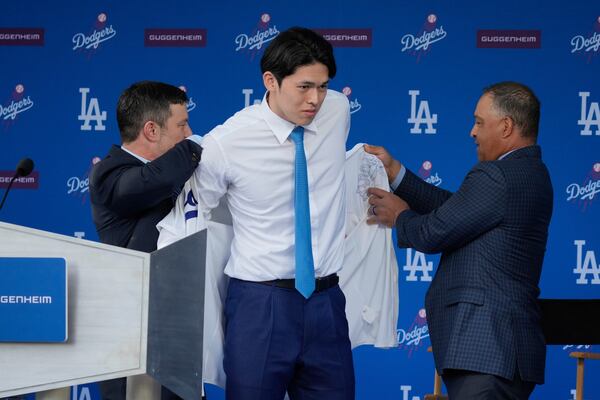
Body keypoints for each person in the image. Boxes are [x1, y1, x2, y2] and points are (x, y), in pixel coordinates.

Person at [190, 27, 355, 400]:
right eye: (304, 87)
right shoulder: (227, 143)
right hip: (259, 305)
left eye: (324, 86)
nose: (316, 99)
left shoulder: (337, 111)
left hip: (327, 301)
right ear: (271, 81)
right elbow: (196, 214)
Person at [366, 81, 553, 399]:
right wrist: (397, 173)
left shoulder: (498, 176)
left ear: (506, 126)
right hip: (501, 355)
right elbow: (457, 212)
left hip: (487, 353)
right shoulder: (530, 173)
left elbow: (433, 232)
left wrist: (400, 217)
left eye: (480, 122)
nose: (472, 132)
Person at [89, 80, 202, 400]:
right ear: (152, 130)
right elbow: (158, 179)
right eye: (182, 124)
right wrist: (202, 146)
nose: (189, 132)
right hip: (130, 340)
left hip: (177, 330)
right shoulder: (110, 174)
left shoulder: (180, 172)